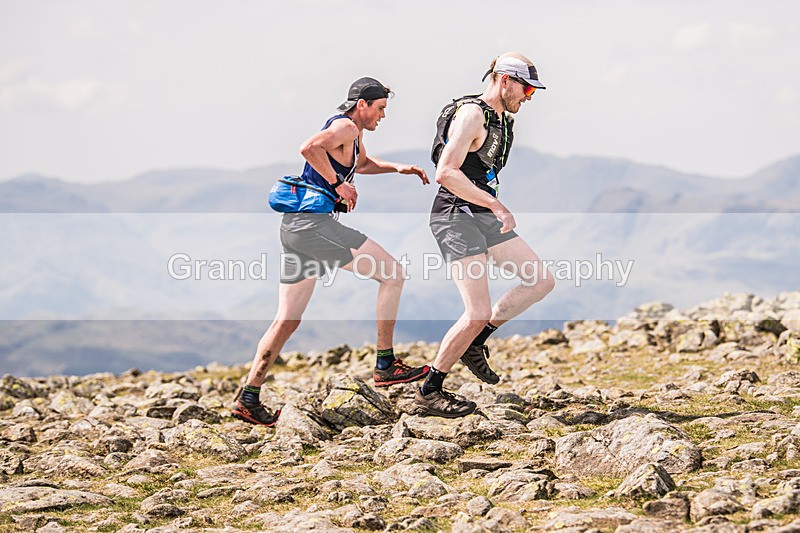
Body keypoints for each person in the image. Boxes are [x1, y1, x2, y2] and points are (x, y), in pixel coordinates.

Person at [232, 77, 431, 426]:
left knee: (287, 320)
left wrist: (398, 168)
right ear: (362, 105)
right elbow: (309, 148)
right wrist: (339, 186)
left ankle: (249, 398)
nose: (383, 116)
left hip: (295, 230)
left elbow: (363, 164)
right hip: (315, 227)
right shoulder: (345, 127)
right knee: (393, 274)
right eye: (380, 108)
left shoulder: (353, 135)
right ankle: (386, 365)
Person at [414, 52, 556, 418]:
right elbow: (446, 172)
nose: (528, 97)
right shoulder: (473, 114)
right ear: (503, 80)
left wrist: (490, 205)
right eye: (526, 88)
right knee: (475, 310)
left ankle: (476, 342)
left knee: (540, 281)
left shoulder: (501, 121)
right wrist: (496, 205)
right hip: (455, 215)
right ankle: (430, 391)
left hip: (479, 210)